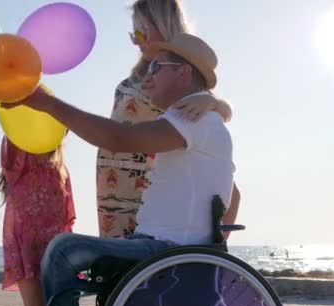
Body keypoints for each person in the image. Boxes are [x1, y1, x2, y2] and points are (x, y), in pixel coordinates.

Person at [3, 32, 240, 306]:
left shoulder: (194, 120)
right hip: (173, 251)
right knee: (67, 252)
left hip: (163, 252)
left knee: (62, 250)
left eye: (156, 67)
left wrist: (46, 103)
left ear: (183, 73)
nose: (147, 77)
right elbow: (234, 194)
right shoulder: (204, 121)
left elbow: (118, 139)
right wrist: (212, 248)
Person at [97, 0, 235, 238]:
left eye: (141, 32)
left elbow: (214, 116)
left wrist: (212, 102)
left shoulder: (177, 74)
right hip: (114, 187)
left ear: (163, 25)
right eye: (133, 34)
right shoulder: (137, 77)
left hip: (146, 188)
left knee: (139, 264)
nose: (137, 40)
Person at [0, 136, 76, 306]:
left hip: (56, 251)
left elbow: (66, 221)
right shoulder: (19, 160)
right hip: (26, 249)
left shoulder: (60, 169)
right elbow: (13, 132)